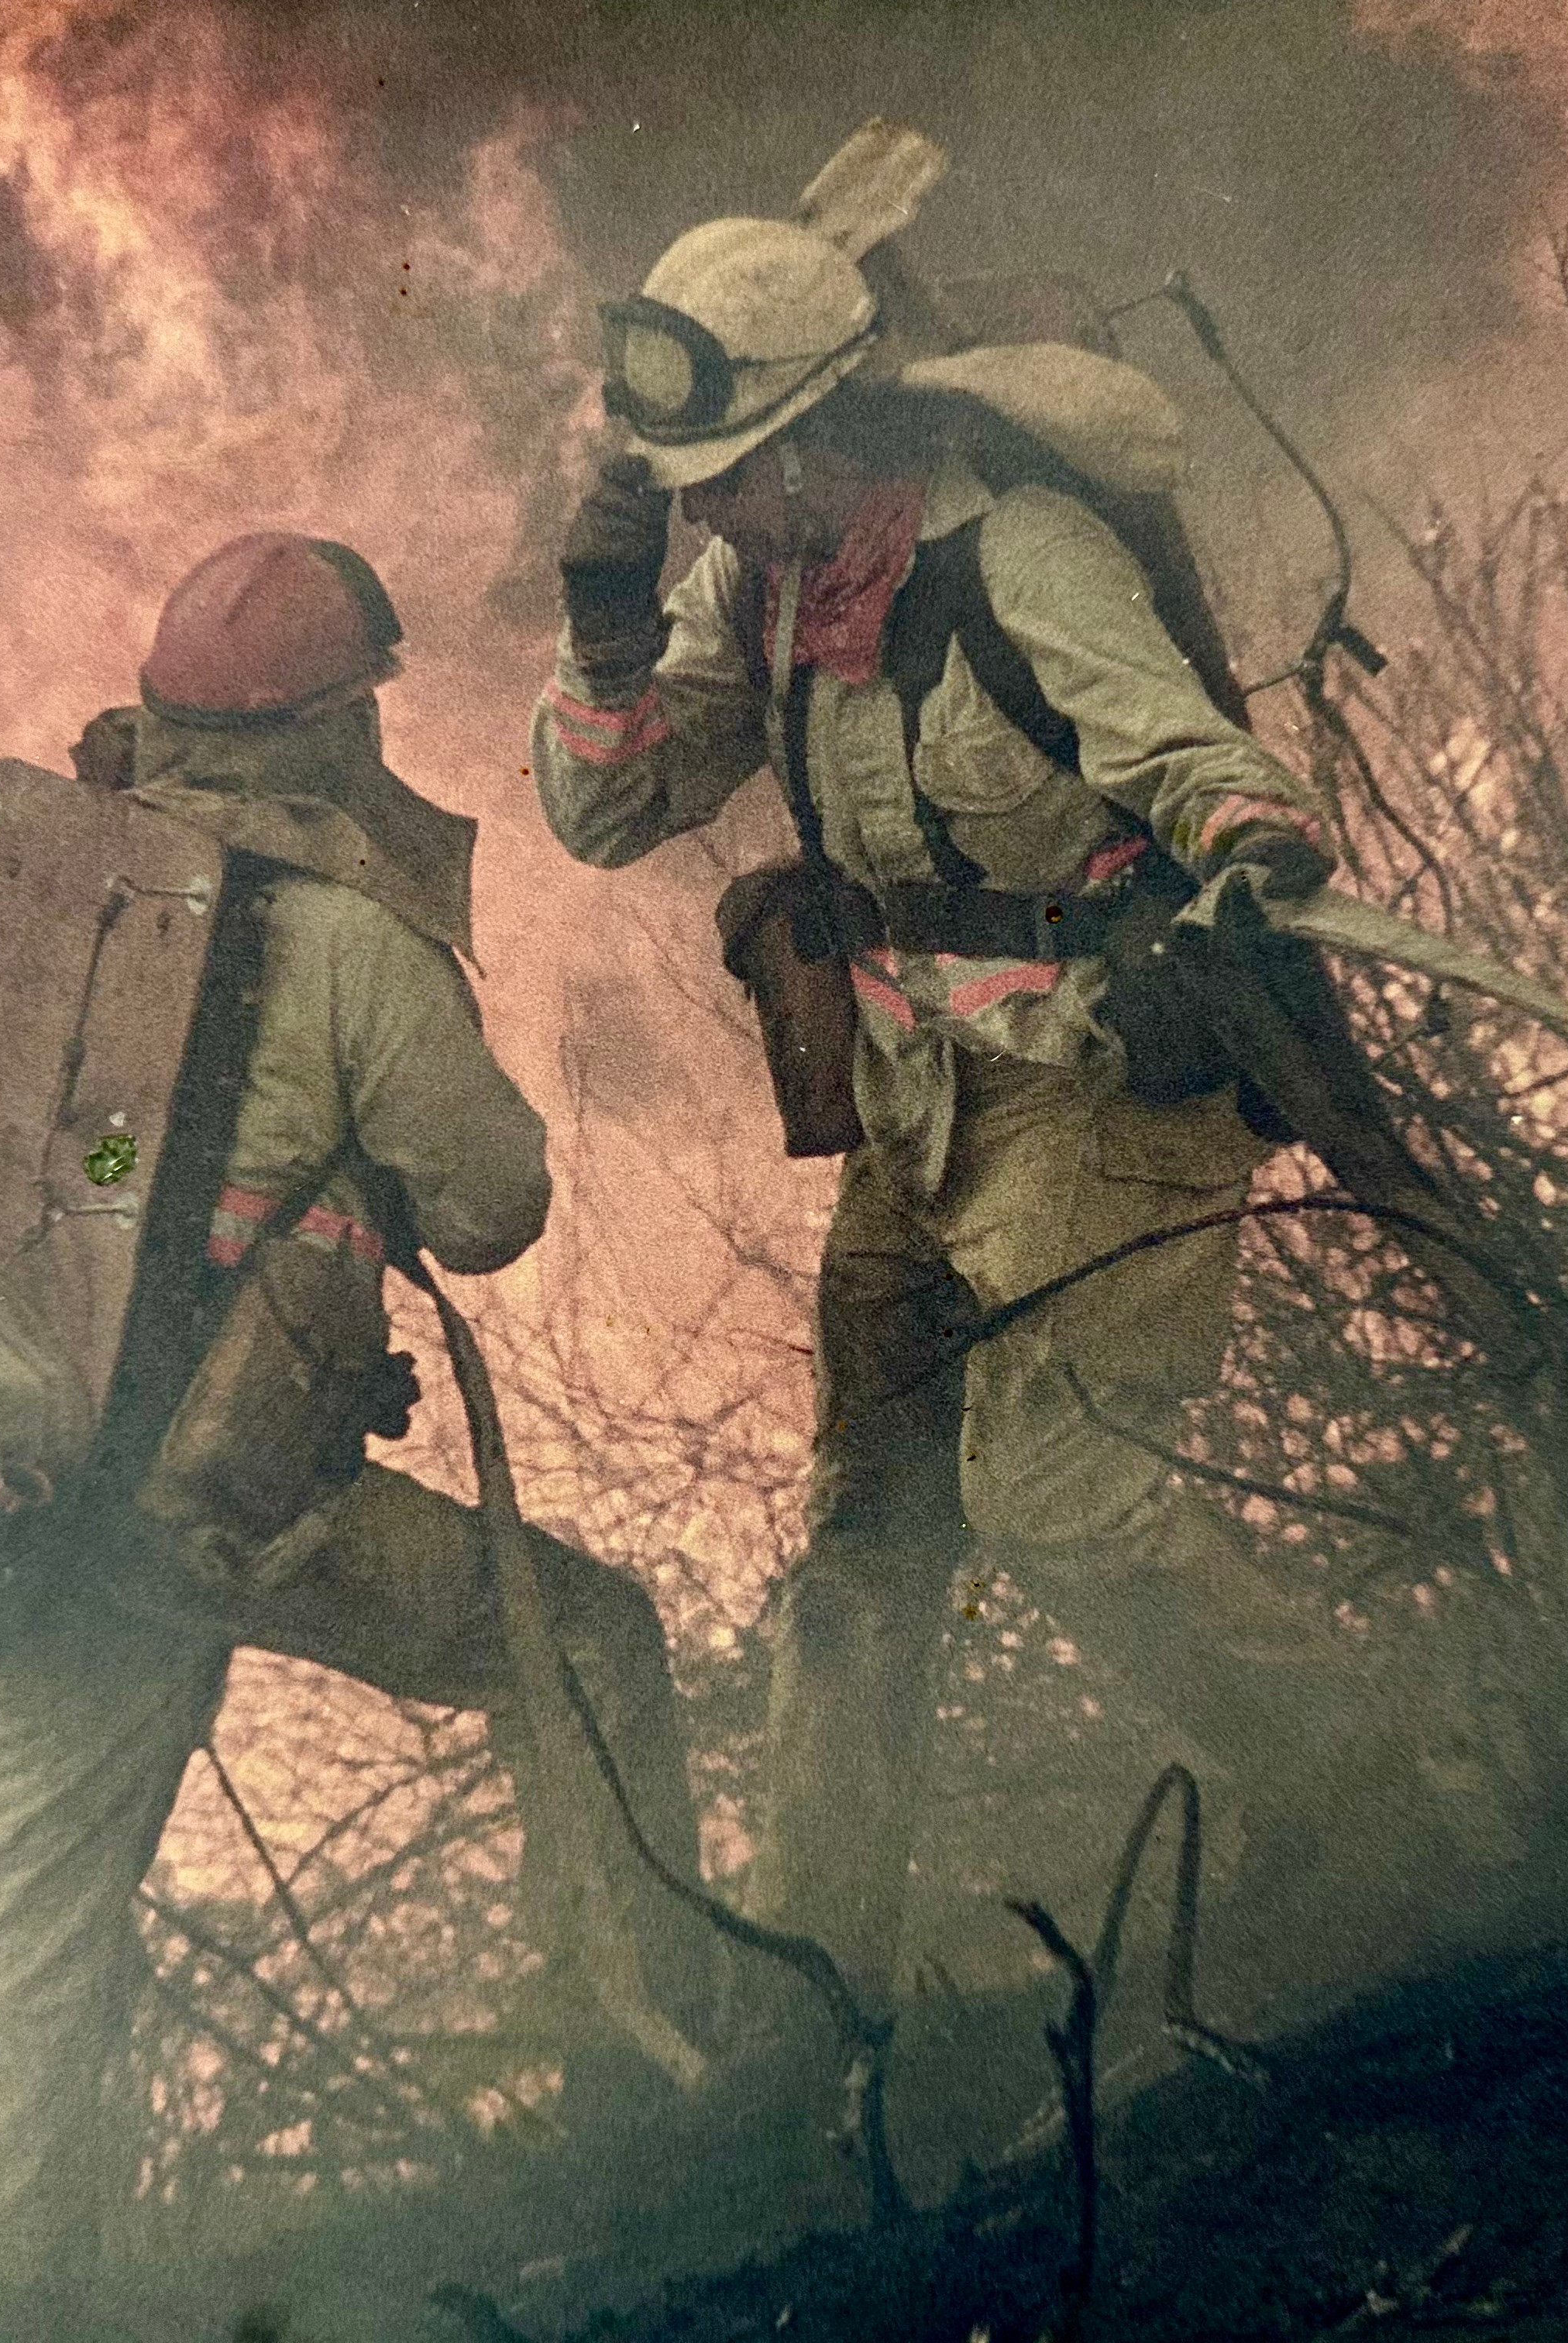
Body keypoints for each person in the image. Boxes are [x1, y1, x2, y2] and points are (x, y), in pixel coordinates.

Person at [529, 215, 1364, 2032]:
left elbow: (1199, 761)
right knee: (866, 1553)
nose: (716, 518)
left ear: (832, 437)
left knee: (1062, 1512)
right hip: (918, 1115)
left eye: (732, 479)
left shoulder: (1021, 556)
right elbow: (607, 817)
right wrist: (603, 646)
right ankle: (815, 1998)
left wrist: (1245, 857)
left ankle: (1372, 1793)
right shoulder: (759, 592)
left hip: (1092, 1093)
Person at [0, 532, 708, 2341]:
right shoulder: (355, 941)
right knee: (591, 1646)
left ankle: (0, 2301)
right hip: (237, 1507)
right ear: (331, 731)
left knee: (40, 1932)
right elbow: (494, 1199)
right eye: (366, 705)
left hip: (31, 1494)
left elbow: (93, 1169)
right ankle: (653, 2114)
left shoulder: (70, 907)